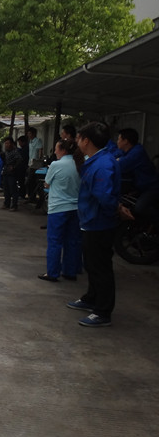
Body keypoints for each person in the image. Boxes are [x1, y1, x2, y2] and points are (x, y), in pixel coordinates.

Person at [67, 122, 120, 327]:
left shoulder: (103, 164)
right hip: (91, 221)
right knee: (91, 264)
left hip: (99, 223)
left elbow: (104, 197)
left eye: (79, 138)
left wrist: (114, 210)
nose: (77, 141)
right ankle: (91, 298)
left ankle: (103, 311)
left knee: (100, 267)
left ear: (86, 140)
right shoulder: (96, 160)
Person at [39, 139, 82, 282]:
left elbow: (47, 183)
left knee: (55, 241)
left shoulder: (56, 165)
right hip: (75, 208)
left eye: (56, 149)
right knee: (72, 241)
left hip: (58, 208)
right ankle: (70, 271)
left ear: (63, 150)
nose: (55, 151)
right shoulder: (79, 164)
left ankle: (52, 272)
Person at [116, 128, 159, 227]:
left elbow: (120, 165)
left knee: (140, 207)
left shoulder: (137, 152)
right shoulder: (129, 150)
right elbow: (115, 156)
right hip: (140, 187)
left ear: (125, 141)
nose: (117, 142)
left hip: (151, 188)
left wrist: (118, 160)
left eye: (119, 139)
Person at [1, 137, 23, 211]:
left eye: (8, 143)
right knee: (6, 189)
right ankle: (6, 204)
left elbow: (20, 160)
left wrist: (14, 167)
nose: (6, 145)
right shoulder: (6, 152)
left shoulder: (15, 152)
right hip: (6, 172)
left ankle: (14, 205)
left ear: (12, 144)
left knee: (13, 189)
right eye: (5, 143)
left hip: (12, 174)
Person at [25, 127, 44, 203]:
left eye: (30, 133)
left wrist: (39, 158)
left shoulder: (38, 141)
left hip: (36, 164)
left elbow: (40, 150)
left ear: (33, 134)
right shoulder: (30, 142)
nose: (28, 135)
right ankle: (31, 197)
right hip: (31, 163)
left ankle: (37, 197)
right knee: (30, 182)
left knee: (33, 181)